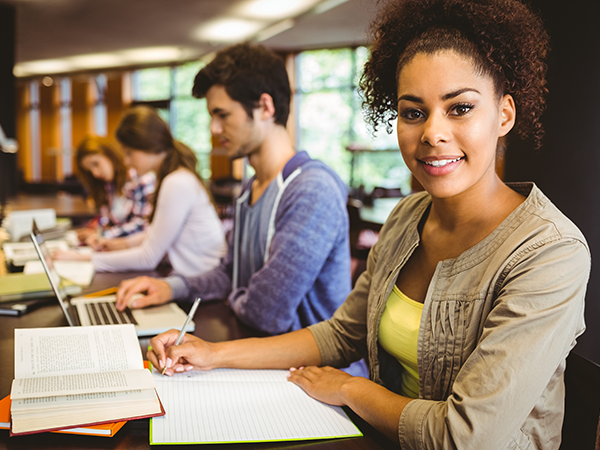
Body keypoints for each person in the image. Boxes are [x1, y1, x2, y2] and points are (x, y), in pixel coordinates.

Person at [145, 0, 590, 448]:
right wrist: (211, 354)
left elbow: (464, 437)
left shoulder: (549, 252)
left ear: (504, 115)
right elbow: (341, 334)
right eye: (413, 112)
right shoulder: (405, 219)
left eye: (460, 108)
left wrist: (349, 388)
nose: (432, 133)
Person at [116, 43, 352, 336]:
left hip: (315, 373)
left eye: (222, 115)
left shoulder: (310, 190)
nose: (214, 129)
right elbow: (231, 275)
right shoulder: (250, 189)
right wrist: (170, 287)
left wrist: (237, 297)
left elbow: (265, 313)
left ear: (265, 107)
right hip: (263, 355)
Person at [56, 106, 225, 278]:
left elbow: (147, 258)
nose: (127, 161)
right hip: (191, 279)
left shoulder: (176, 182)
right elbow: (156, 234)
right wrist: (120, 244)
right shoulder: (174, 177)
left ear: (147, 145)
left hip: (201, 286)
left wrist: (84, 259)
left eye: (129, 153)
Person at [74, 135, 155, 251]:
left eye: (96, 164)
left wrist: (103, 236)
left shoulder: (141, 179)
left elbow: (142, 226)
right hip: (117, 252)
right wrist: (96, 232)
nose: (95, 173)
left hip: (140, 253)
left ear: (109, 154)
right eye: (90, 171)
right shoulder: (109, 186)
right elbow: (113, 223)